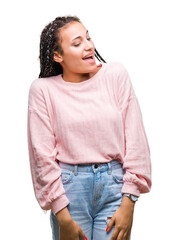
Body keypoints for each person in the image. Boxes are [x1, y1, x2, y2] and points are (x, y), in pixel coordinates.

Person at [27, 15, 152, 240]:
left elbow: (135, 140)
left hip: (115, 188)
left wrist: (129, 201)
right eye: (77, 43)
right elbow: (42, 156)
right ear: (57, 56)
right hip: (68, 192)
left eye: (88, 37)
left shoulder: (115, 75)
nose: (89, 46)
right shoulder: (43, 90)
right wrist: (62, 216)